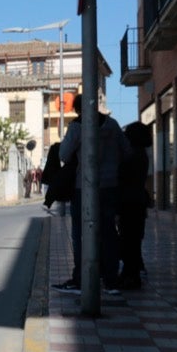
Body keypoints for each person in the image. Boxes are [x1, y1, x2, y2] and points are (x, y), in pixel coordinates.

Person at [53, 105, 128, 298]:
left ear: (79, 109)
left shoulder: (78, 126)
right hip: (110, 186)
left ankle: (80, 279)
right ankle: (110, 280)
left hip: (83, 187)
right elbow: (126, 152)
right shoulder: (112, 125)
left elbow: (63, 154)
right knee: (109, 232)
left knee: (80, 234)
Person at [118, 121, 153, 290]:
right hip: (137, 201)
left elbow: (123, 176)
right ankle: (130, 273)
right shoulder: (142, 154)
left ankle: (131, 276)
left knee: (129, 239)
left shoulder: (133, 155)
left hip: (129, 202)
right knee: (133, 239)